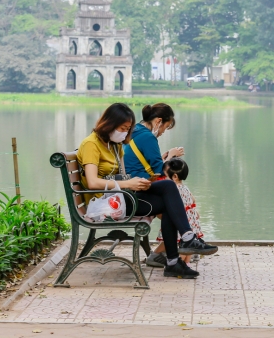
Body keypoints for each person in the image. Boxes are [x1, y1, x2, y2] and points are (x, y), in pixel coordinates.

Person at [77, 103, 217, 280]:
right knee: (168, 201)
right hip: (106, 203)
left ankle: (181, 249)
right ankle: (181, 250)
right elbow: (92, 182)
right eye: (122, 128)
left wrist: (135, 182)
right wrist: (129, 184)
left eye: (128, 129)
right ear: (109, 123)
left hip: (120, 196)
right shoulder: (91, 144)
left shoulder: (114, 145)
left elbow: (122, 175)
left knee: (168, 188)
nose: (125, 133)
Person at [151, 158, 203, 266]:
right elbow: (192, 201)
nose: (163, 178)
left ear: (174, 176)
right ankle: (186, 263)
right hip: (190, 221)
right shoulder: (185, 188)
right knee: (187, 246)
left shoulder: (173, 190)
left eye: (165, 176)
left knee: (173, 241)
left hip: (179, 222)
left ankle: (176, 264)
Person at [124, 103, 184, 180]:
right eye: (165, 127)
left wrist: (162, 159)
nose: (163, 132)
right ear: (158, 121)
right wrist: (171, 156)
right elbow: (160, 171)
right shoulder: (148, 137)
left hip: (127, 178)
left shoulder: (136, 129)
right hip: (138, 181)